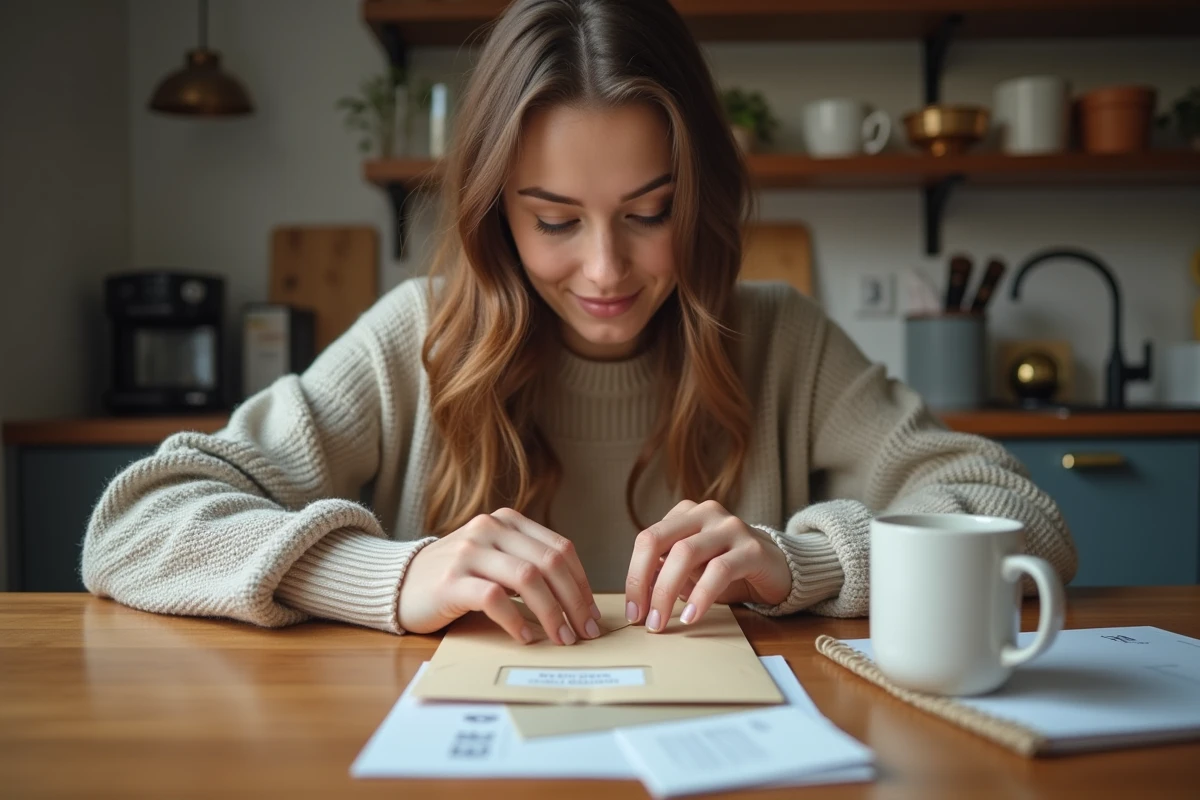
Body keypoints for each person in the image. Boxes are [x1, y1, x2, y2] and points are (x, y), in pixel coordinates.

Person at [82, 0, 1076, 646]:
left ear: (701, 197)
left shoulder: (779, 336)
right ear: (494, 209)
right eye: (554, 220)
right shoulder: (415, 337)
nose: (605, 269)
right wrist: (397, 572)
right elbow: (132, 523)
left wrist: (800, 561)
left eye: (650, 214)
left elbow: (1020, 514)